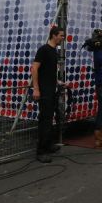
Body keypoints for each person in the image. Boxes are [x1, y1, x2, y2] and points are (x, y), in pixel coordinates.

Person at [31, 26, 68, 162]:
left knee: (50, 119)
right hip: (44, 91)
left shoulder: (54, 51)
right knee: (45, 120)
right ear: (54, 35)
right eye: (61, 35)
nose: (63, 38)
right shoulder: (44, 50)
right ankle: (41, 151)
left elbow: (49, 72)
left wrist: (58, 82)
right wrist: (36, 89)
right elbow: (34, 68)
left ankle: (48, 145)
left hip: (52, 90)